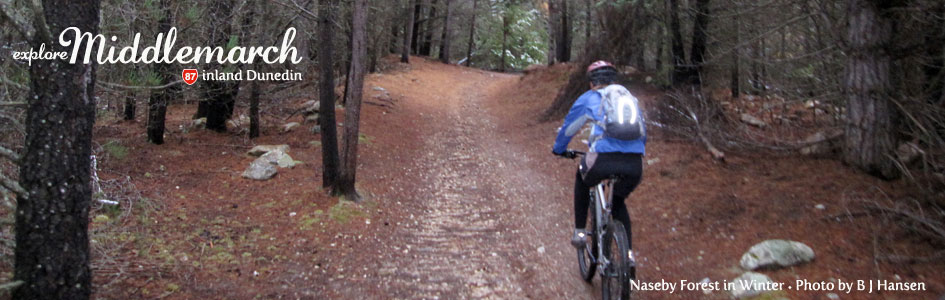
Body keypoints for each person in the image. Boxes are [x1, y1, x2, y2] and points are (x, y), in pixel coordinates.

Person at [551, 60, 646, 249]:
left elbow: (569, 129)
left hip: (603, 160)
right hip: (634, 165)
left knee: (582, 176)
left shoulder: (589, 98)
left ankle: (579, 232)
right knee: (618, 202)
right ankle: (628, 256)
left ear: (592, 82)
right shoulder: (629, 99)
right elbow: (643, 133)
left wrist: (559, 149)